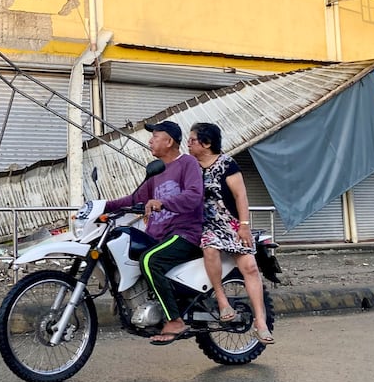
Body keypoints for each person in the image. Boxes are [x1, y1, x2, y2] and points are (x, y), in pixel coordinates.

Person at [105, 120, 204, 345]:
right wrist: (103, 206)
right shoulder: (156, 170)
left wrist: (163, 202)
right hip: (159, 235)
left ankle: (175, 320)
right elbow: (134, 199)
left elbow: (194, 195)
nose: (150, 140)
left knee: (150, 260)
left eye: (155, 136)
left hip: (185, 233)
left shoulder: (187, 163)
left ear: (169, 141)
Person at [187, 122, 275, 345]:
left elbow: (240, 196)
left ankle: (261, 321)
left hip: (231, 223)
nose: (188, 143)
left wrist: (244, 225)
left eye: (193, 140)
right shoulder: (190, 167)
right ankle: (222, 300)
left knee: (250, 267)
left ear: (207, 143)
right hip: (205, 225)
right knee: (209, 248)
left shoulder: (227, 164)